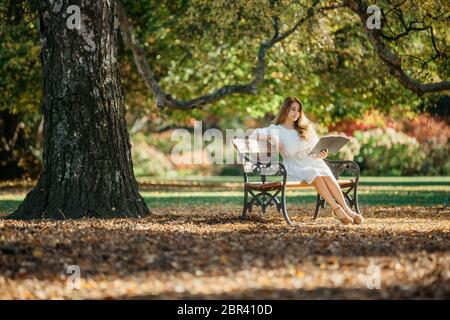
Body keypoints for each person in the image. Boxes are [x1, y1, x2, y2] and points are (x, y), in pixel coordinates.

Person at [250, 96, 364, 225]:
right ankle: (336, 208)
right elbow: (254, 134)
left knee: (324, 170)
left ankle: (347, 209)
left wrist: (322, 154)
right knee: (314, 172)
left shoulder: (305, 127)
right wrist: (273, 137)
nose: (296, 113)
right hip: (293, 166)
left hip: (311, 162)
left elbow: (315, 147)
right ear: (285, 109)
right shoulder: (276, 129)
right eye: (293, 109)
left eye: (298, 110)